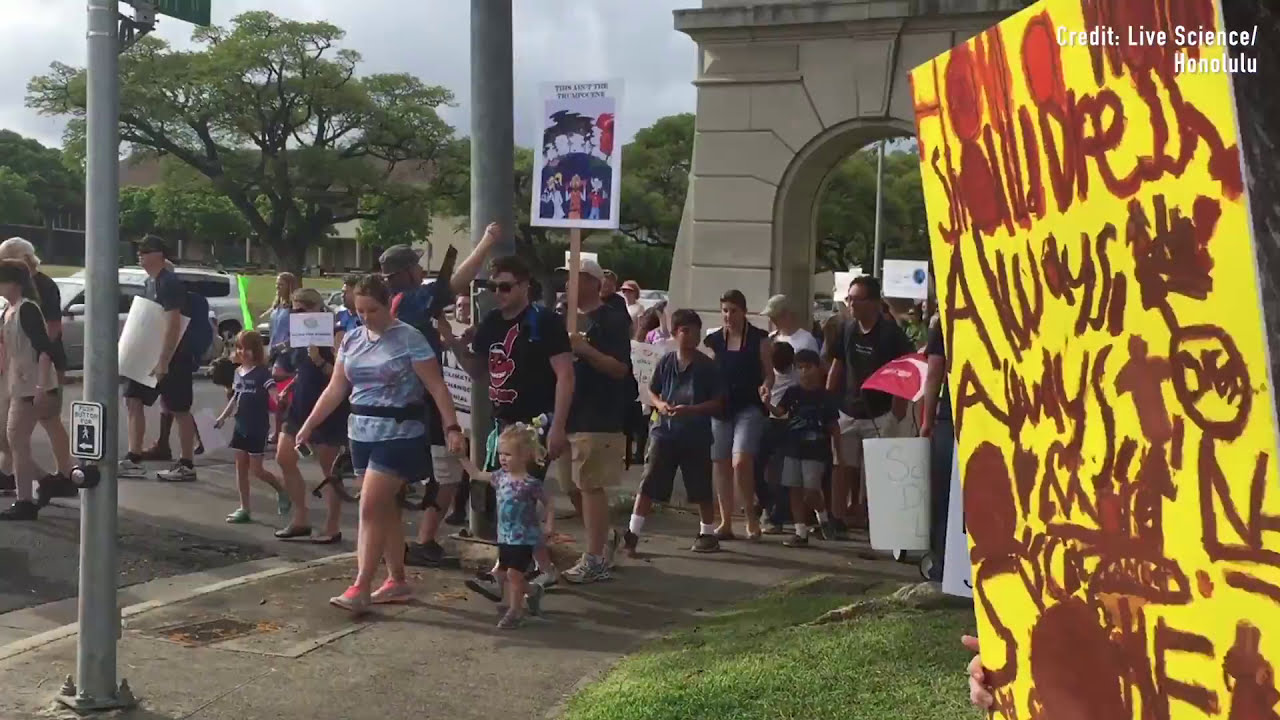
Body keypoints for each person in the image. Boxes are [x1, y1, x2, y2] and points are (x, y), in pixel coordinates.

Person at [297, 275, 464, 613]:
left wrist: (452, 426)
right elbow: (335, 388)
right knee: (385, 509)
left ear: (388, 304)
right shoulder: (353, 339)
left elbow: (436, 386)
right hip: (362, 431)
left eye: (372, 309)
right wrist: (308, 425)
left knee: (369, 506)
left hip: (400, 432)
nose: (365, 316)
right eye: (359, 310)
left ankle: (361, 584)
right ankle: (397, 579)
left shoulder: (409, 339)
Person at [442, 253, 574, 585]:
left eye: (505, 287)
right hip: (504, 424)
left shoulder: (544, 322)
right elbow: (479, 372)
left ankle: (515, 566)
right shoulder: (491, 323)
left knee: (518, 497)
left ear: (525, 285)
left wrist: (557, 427)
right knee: (508, 499)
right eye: (493, 287)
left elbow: (565, 375)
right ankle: (532, 566)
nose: (498, 294)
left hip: (535, 423)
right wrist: (456, 346)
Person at [382, 224, 497, 568]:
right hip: (424, 399)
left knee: (399, 473)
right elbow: (455, 284)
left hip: (397, 399)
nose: (422, 270)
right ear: (405, 272)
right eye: (416, 265)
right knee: (447, 470)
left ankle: (394, 542)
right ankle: (425, 540)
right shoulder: (414, 300)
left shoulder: (388, 304)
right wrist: (487, 242)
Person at [623, 309, 723, 556]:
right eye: (686, 331)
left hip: (695, 432)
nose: (691, 337)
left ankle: (707, 532)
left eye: (695, 331)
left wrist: (692, 409)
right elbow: (653, 390)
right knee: (649, 481)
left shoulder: (707, 366)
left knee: (700, 485)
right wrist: (660, 405)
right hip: (664, 430)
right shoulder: (667, 361)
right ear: (676, 333)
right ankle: (632, 533)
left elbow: (719, 401)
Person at [556, 257, 630, 584]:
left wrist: (585, 349)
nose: (567, 283)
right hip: (566, 413)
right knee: (569, 486)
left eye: (573, 277)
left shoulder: (611, 320)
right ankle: (605, 537)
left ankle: (595, 558)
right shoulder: (561, 319)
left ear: (592, 282)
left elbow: (619, 369)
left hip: (598, 414)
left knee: (589, 485)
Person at [827, 276, 913, 537]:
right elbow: (837, 365)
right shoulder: (847, 329)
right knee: (842, 466)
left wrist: (898, 410)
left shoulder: (891, 335)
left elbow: (905, 371)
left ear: (874, 303)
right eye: (849, 298)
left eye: (856, 299)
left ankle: (878, 521)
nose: (851, 304)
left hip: (881, 412)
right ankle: (837, 518)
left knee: (878, 471)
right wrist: (828, 400)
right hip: (848, 410)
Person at [120, 236, 200, 483]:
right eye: (139, 251)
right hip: (148, 355)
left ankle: (186, 463)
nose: (140, 256)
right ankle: (133, 457)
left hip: (173, 357)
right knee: (132, 398)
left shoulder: (169, 282)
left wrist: (164, 360)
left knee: (178, 408)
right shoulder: (150, 283)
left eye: (145, 251)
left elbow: (173, 322)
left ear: (159, 255)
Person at [0, 238, 75, 501]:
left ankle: (64, 473)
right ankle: (12, 473)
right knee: (12, 428)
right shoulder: (12, 298)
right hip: (18, 369)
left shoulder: (43, 286)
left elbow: (53, 328)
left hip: (41, 365)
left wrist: (40, 367)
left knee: (47, 420)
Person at [274, 288, 349, 543]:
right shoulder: (298, 332)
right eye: (295, 309)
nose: (298, 313)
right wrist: (292, 386)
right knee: (284, 457)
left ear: (319, 308)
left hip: (328, 407)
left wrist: (319, 359)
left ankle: (332, 526)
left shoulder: (336, 332)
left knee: (328, 469)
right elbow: (299, 368)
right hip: (300, 405)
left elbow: (342, 377)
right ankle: (301, 517)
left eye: (304, 309)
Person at [459, 424, 549, 629]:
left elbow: (548, 502)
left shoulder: (530, 483)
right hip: (505, 536)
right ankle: (534, 591)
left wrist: (547, 523)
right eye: (501, 454)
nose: (503, 458)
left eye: (508, 454)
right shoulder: (500, 477)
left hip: (524, 536)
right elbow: (476, 475)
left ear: (524, 455)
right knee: (509, 575)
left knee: (513, 575)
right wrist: (462, 457)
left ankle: (515, 612)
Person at [704, 289, 772, 540]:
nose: (728, 316)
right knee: (720, 462)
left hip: (749, 405)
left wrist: (767, 386)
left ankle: (751, 517)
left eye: (733, 310)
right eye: (725, 311)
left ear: (744, 312)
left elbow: (769, 372)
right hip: (721, 406)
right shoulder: (713, 340)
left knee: (741, 461)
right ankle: (725, 520)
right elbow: (708, 372)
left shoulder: (759, 339)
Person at [757, 294, 820, 533]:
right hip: (770, 410)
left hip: (791, 414)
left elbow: (809, 373)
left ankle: (777, 514)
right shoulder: (772, 339)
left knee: (784, 469)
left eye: (774, 316)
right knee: (763, 465)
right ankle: (769, 507)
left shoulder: (805, 340)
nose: (771, 321)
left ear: (785, 314)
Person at [765, 349, 841, 547]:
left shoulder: (826, 397)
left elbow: (834, 427)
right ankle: (801, 532)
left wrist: (837, 454)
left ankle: (823, 517)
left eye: (808, 367)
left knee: (811, 490)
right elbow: (779, 411)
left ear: (818, 369)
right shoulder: (792, 393)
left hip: (816, 450)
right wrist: (766, 403)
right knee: (794, 489)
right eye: (800, 368)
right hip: (793, 447)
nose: (804, 372)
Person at [213, 331, 288, 524]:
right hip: (241, 424)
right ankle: (244, 508)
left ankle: (281, 489)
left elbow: (273, 392)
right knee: (240, 468)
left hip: (257, 426)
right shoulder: (238, 373)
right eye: (239, 348)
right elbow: (235, 398)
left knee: (257, 470)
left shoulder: (263, 373)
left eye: (247, 348)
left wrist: (278, 399)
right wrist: (222, 417)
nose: (242, 352)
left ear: (256, 350)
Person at [919, 320, 953, 581]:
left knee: (943, 493)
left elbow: (934, 373)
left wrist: (927, 421)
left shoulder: (943, 320)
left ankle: (942, 561)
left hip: (952, 414)